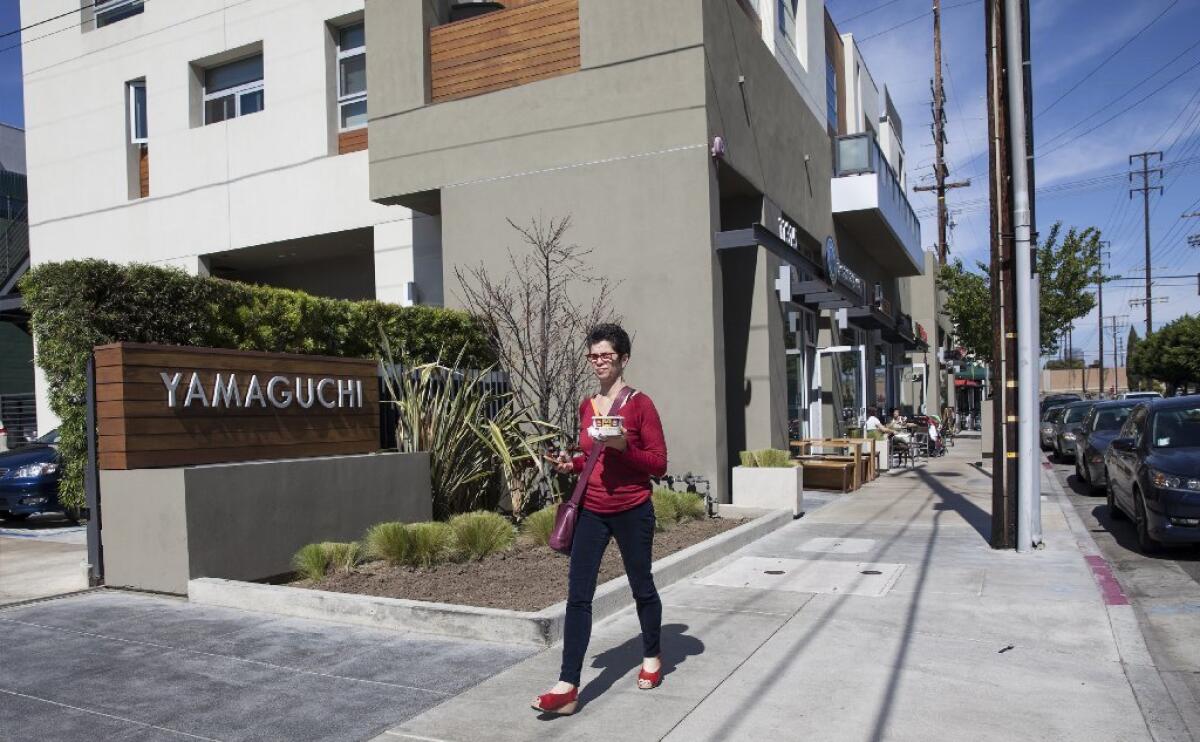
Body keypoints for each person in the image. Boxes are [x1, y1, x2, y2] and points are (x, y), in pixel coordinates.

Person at [533, 323, 669, 716]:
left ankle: (652, 656)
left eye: (606, 355)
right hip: (592, 509)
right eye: (593, 356)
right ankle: (568, 685)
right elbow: (590, 457)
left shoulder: (640, 404)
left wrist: (624, 446)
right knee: (578, 596)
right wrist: (570, 462)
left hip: (632, 509)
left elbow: (659, 465)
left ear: (623, 358)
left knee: (641, 585)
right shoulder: (587, 405)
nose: (599, 362)